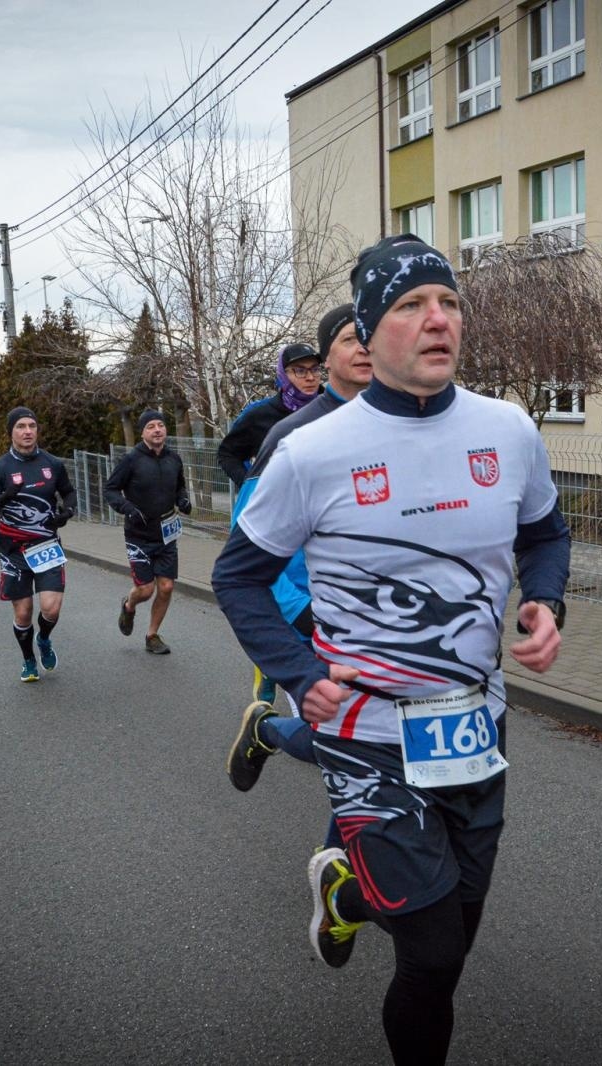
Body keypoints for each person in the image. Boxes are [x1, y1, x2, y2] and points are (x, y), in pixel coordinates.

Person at [212, 235, 571, 1066]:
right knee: (433, 952)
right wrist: (300, 675)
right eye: (411, 306)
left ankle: (345, 888)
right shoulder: (310, 451)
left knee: (454, 948)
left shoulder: (508, 430)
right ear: (369, 334)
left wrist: (546, 602)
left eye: (447, 302)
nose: (437, 319)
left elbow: (547, 531)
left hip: (475, 731)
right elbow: (238, 577)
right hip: (368, 736)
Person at [225, 303, 373, 793]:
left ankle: (361, 854)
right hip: (311, 613)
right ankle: (266, 730)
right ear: (327, 358)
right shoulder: (290, 434)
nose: (366, 348)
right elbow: (245, 544)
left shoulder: (398, 425)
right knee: (338, 741)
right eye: (352, 339)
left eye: (370, 337)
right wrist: (297, 611)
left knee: (374, 746)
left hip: (380, 618)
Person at [0, 406, 77, 682]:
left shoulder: (52, 464)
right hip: (14, 551)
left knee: (51, 608)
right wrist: (4, 497)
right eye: (21, 427)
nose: (27, 431)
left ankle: (44, 639)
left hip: (46, 546)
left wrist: (67, 512)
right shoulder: (0, 469)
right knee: (23, 612)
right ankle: (28, 659)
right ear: (11, 432)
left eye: (31, 426)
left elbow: (69, 492)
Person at [104, 410, 190, 655]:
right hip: (138, 536)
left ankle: (152, 635)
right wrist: (128, 509)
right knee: (145, 589)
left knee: (166, 587)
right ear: (143, 432)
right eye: (151, 426)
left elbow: (180, 487)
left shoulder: (174, 458)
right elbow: (110, 489)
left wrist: (183, 500)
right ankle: (129, 605)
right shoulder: (131, 460)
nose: (157, 430)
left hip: (166, 534)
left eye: (160, 425)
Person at [215, 343, 321, 486]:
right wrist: (251, 488)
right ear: (283, 375)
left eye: (315, 369)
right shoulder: (260, 415)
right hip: (281, 505)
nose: (310, 377)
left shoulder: (335, 409)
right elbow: (227, 454)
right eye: (300, 371)